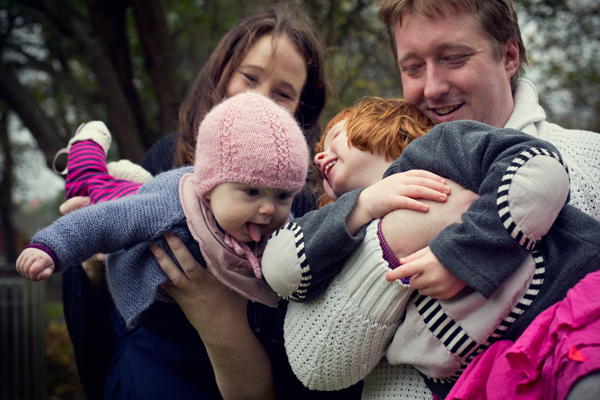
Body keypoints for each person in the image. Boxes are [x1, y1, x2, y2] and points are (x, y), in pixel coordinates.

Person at [56, 5, 362, 399]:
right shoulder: (164, 159)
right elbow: (106, 307)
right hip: (143, 377)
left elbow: (297, 367)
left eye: (283, 93)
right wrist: (93, 261)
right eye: (249, 77)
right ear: (221, 76)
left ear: (302, 110)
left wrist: (219, 316)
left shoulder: (298, 208)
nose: (261, 98)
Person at [260, 97, 600, 399]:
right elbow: (279, 265)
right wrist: (364, 205)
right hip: (497, 372)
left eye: (335, 137)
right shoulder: (341, 229)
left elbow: (538, 165)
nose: (319, 155)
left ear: (383, 123)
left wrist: (459, 257)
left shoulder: (439, 148)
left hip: (572, 309)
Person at [17, 92, 308, 323]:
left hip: (149, 197)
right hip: (132, 208)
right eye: (253, 191)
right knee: (93, 186)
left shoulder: (280, 229)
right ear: (209, 187)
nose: (269, 209)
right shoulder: (172, 206)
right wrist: (50, 248)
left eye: (283, 196)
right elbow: (102, 223)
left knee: (136, 187)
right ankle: (87, 144)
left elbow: (305, 248)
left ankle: (129, 176)